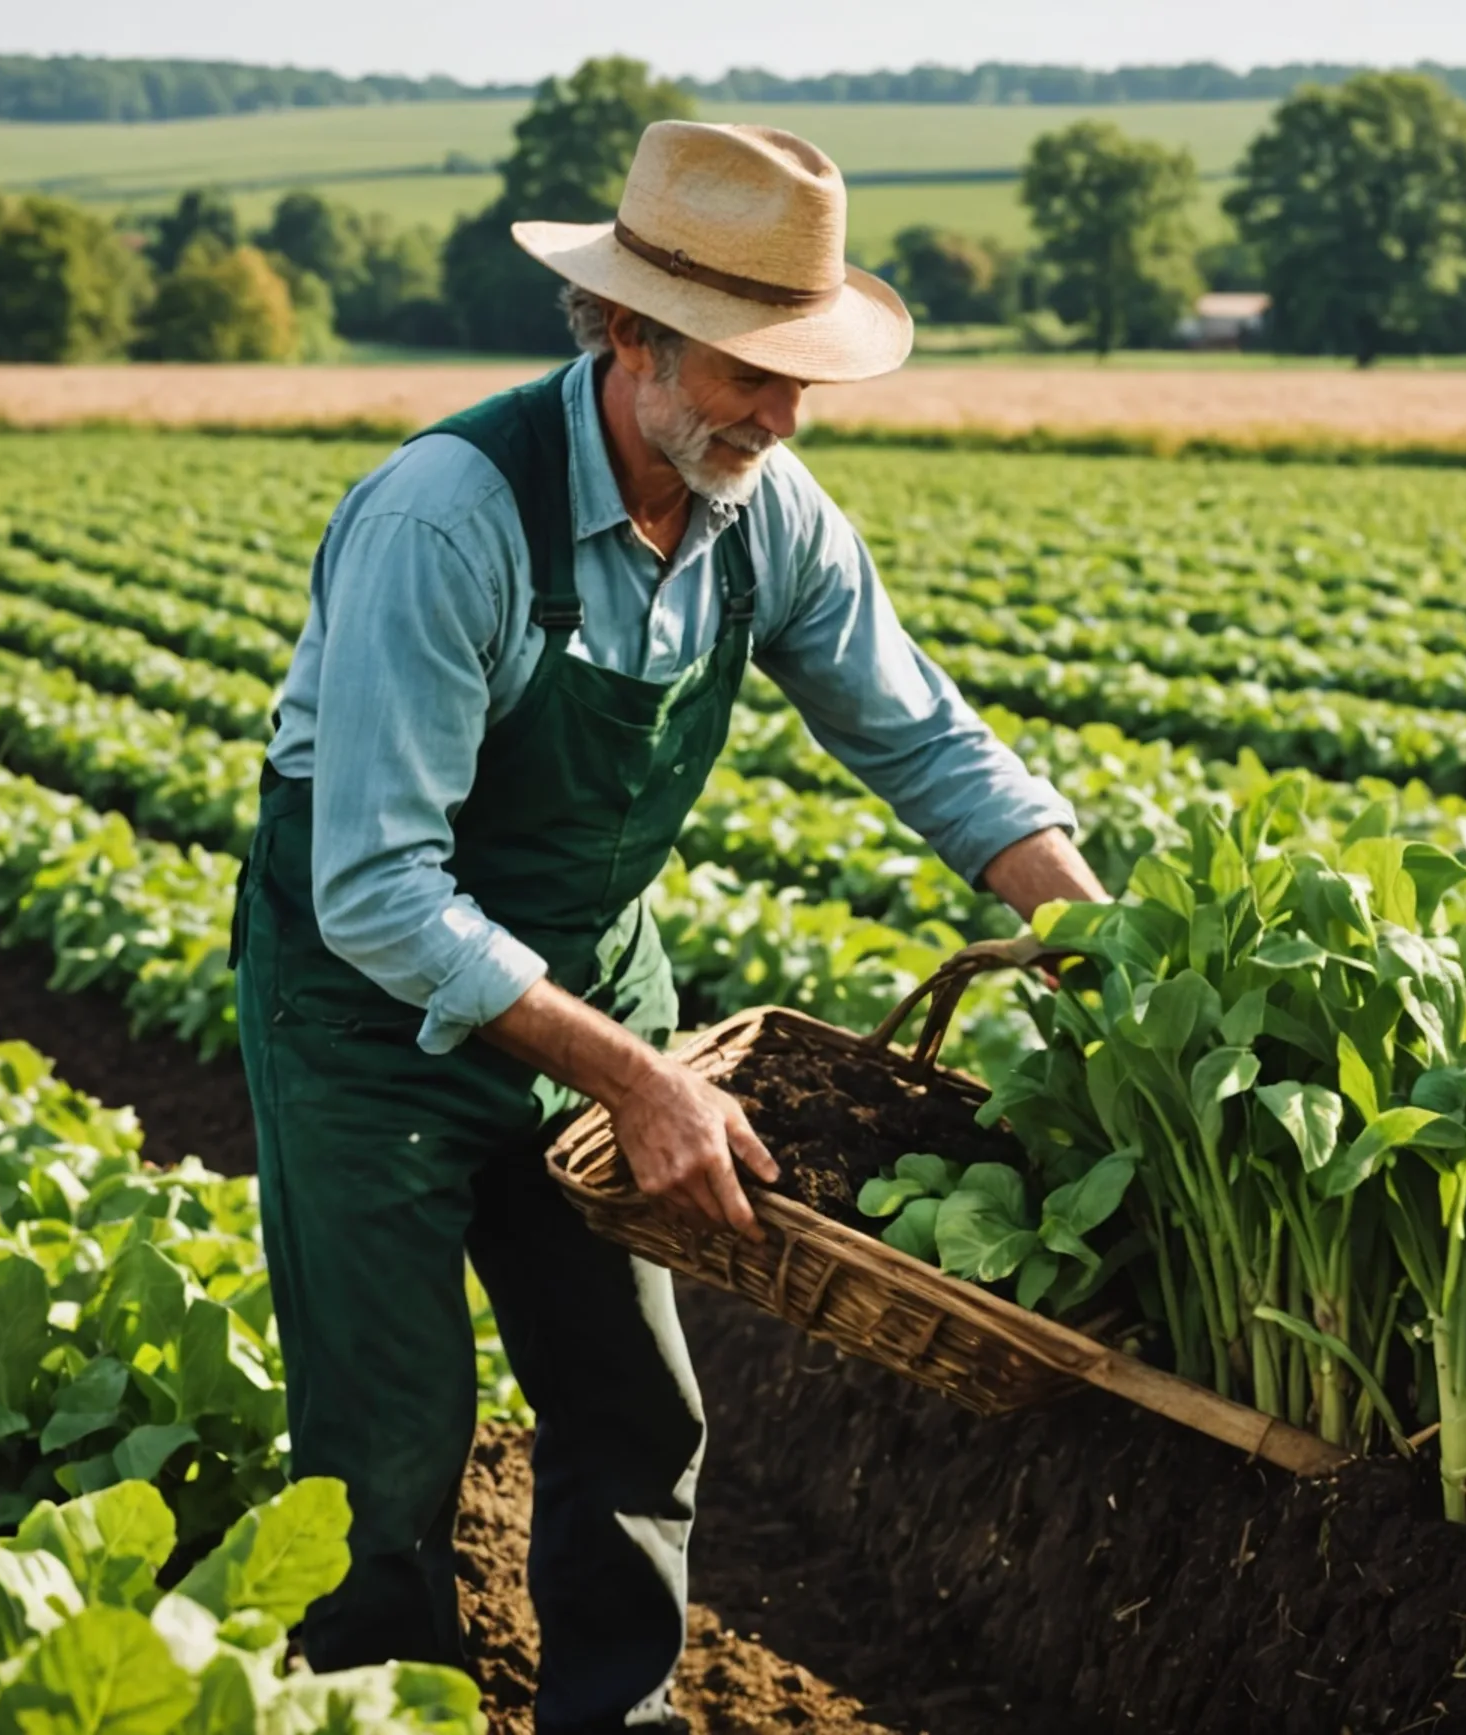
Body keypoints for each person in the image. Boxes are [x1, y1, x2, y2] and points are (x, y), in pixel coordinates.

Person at [232, 119, 1105, 1733]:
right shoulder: (448, 520)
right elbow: (374, 890)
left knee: (637, 1408)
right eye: (746, 374)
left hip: (590, 990)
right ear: (629, 332)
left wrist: (1103, 937)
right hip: (365, 1027)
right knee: (388, 1447)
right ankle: (377, 1712)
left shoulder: (760, 508)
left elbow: (923, 737)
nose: (779, 417)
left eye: (801, 382)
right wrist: (641, 1080)